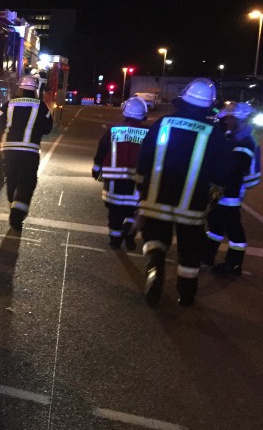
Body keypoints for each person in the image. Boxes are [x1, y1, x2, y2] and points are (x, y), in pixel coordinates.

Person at [136, 78, 232, 307]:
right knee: (190, 250)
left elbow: (145, 156)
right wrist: (216, 191)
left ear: (183, 100)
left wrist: (141, 186)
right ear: (208, 105)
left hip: (157, 197)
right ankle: (186, 294)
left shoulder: (163, 123)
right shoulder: (213, 133)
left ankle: (155, 268)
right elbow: (222, 171)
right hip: (192, 203)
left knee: (155, 238)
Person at [202, 101, 261, 277]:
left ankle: (233, 264)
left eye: (229, 119)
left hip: (230, 193)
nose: (226, 122)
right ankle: (207, 256)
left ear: (238, 120)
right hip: (224, 191)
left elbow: (233, 170)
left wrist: (218, 185)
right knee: (215, 224)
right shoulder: (238, 137)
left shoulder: (244, 142)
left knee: (233, 228)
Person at [0, 74, 54, 231]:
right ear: (35, 90)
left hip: (9, 151)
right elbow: (48, 128)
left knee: (12, 179)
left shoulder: (8, 104)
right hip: (29, 151)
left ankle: (14, 207)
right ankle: (16, 216)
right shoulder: (41, 106)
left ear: (19, 89)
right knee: (27, 182)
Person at [92, 96, 149, 250]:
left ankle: (115, 241)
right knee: (134, 210)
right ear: (143, 114)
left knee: (115, 213)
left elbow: (102, 150)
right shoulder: (148, 133)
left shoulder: (114, 130)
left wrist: (96, 170)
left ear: (124, 111)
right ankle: (129, 230)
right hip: (137, 182)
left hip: (114, 181)